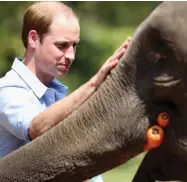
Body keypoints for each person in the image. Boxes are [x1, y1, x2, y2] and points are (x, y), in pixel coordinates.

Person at [0, 2, 131, 182]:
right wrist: (94, 83)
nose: (71, 55)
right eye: (62, 46)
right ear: (33, 39)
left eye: (74, 45)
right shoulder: (7, 90)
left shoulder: (56, 94)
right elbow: (36, 129)